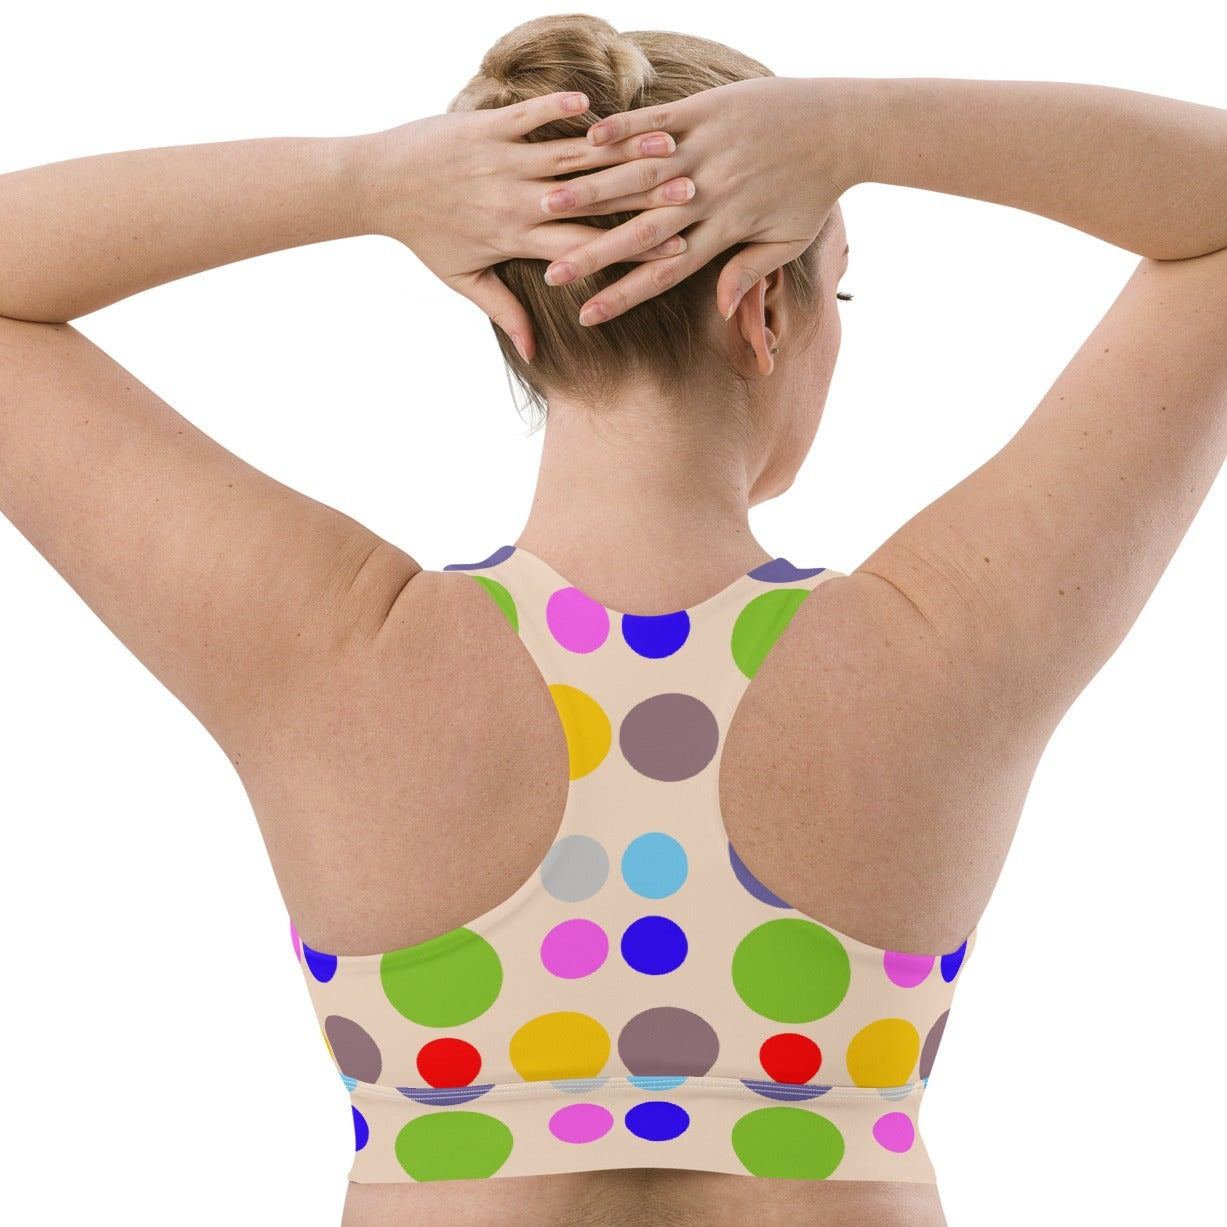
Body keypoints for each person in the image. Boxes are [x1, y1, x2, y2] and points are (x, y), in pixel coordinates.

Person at [1, 11, 1224, 1227]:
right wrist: (865, 127)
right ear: (764, 311)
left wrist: (365, 181)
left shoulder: (335, 651)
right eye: (837, 284)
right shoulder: (936, 646)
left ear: (509, 314)